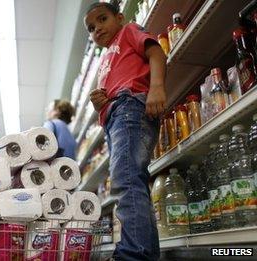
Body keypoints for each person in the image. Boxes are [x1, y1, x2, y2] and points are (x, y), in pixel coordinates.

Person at [85, 2, 167, 261]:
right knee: (131, 180)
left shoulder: (129, 31)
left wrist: (156, 87)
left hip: (131, 107)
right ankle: (146, 253)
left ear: (119, 18)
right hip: (116, 116)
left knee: (126, 181)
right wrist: (101, 103)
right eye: (91, 27)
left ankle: (134, 254)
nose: (97, 29)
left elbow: (156, 52)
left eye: (102, 20)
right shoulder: (106, 57)